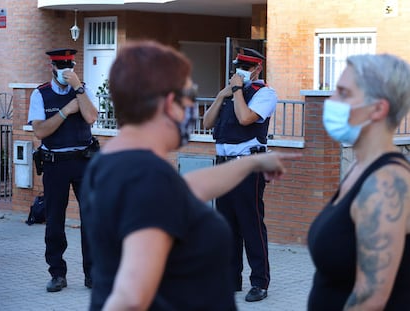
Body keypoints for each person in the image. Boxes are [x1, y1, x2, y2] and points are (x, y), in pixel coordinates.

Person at [80, 40, 298, 311]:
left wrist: (250, 164)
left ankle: (257, 280)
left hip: (242, 162)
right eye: (189, 96)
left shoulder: (112, 161)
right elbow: (130, 297)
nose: (191, 108)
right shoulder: (145, 175)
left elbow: (181, 190)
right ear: (170, 103)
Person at [308, 53, 410, 310]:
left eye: (343, 93)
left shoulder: (385, 184)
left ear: (378, 108)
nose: (331, 101)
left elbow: (371, 299)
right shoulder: (359, 168)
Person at [202, 47, 277, 302]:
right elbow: (207, 123)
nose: (240, 72)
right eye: (238, 67)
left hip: (247, 165)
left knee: (251, 224)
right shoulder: (231, 93)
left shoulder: (265, 93)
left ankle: (259, 282)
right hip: (223, 165)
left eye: (246, 68)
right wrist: (222, 95)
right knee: (227, 226)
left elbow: (246, 119)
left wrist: (235, 93)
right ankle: (230, 278)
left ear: (257, 69)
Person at [27, 48, 98, 292]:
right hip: (55, 163)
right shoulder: (41, 94)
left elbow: (90, 117)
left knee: (91, 219)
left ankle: (93, 274)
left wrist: (78, 89)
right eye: (60, 67)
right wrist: (65, 111)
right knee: (54, 220)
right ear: (52, 68)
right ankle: (57, 273)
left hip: (83, 161)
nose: (64, 71)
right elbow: (40, 131)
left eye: (69, 66)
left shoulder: (83, 89)